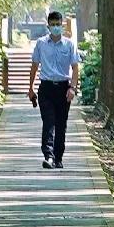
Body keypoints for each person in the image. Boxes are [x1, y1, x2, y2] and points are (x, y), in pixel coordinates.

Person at [28, 11, 80, 168]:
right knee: (48, 122)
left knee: (61, 124)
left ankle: (58, 157)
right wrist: (31, 88)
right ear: (48, 26)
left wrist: (72, 88)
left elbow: (75, 68)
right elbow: (34, 66)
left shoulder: (69, 45)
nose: (56, 27)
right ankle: (48, 156)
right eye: (53, 24)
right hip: (46, 88)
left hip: (63, 88)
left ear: (62, 25)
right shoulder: (41, 44)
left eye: (58, 24)